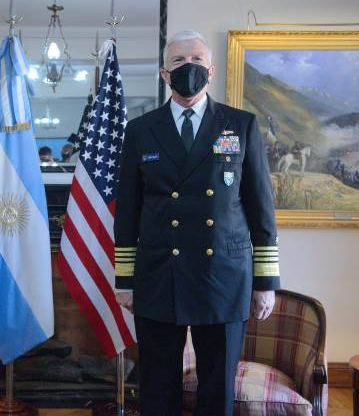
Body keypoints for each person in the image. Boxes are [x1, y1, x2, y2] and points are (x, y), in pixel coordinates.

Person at [114, 30, 280, 416]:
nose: (188, 67)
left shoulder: (241, 125)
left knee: (217, 388)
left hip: (223, 275)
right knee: (157, 386)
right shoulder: (141, 130)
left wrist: (266, 282)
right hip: (160, 274)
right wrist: (125, 279)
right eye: (178, 61)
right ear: (164, 74)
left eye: (196, 60)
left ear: (211, 70)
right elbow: (128, 212)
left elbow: (261, 210)